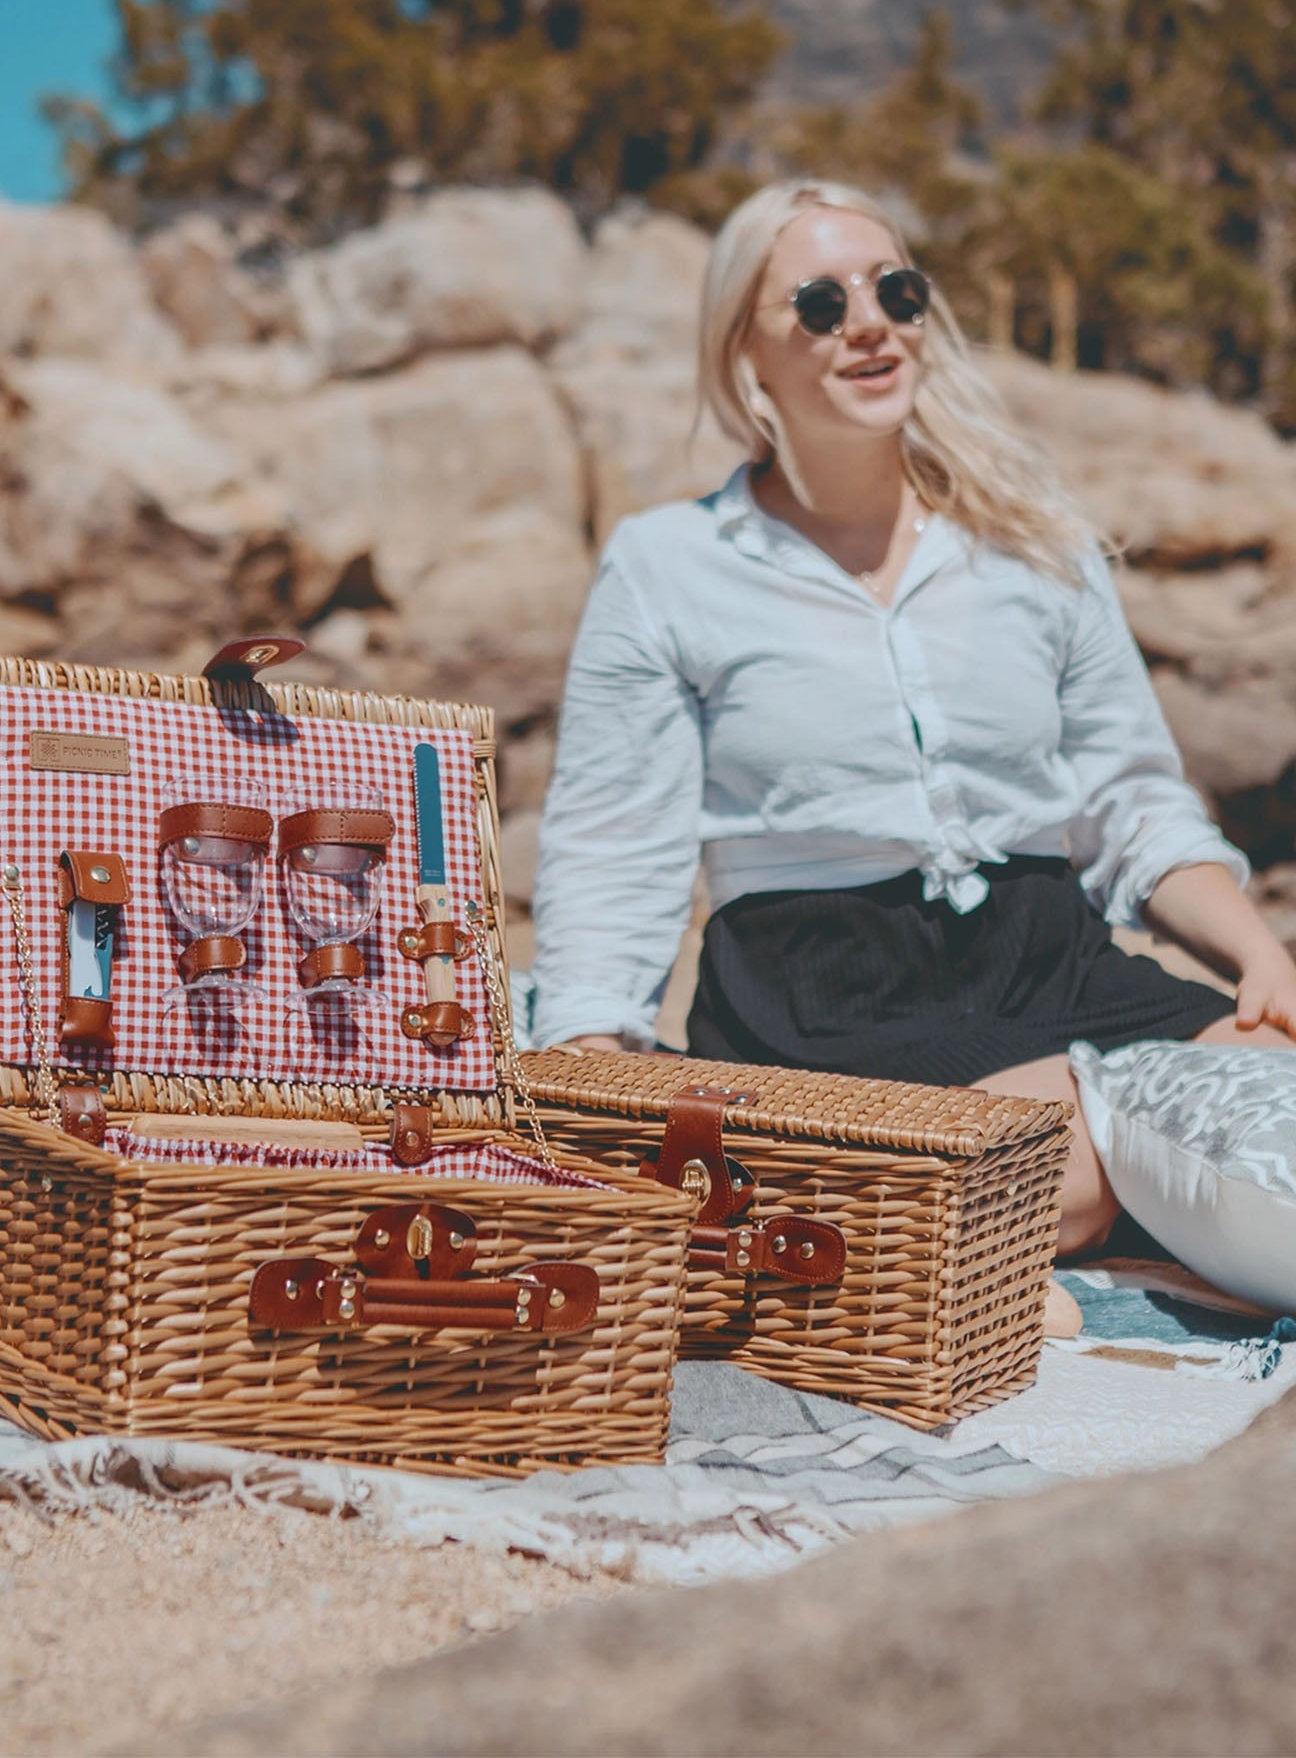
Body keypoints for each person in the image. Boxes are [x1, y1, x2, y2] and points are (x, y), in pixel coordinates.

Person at [530, 177, 1296, 1257]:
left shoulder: (1035, 543)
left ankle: (1046, 1184)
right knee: (1057, 1176)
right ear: (744, 351)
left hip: (1049, 961)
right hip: (820, 996)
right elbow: (615, 836)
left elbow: (1128, 800)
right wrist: (587, 1045)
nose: (869, 323)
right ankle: (1044, 1189)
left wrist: (1258, 954)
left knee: (1268, 1106)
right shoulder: (667, 566)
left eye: (895, 290)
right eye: (820, 304)